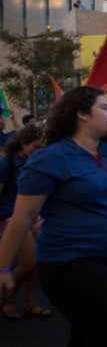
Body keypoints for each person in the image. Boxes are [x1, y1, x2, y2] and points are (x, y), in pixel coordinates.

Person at [0, 86, 107, 347]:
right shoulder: (51, 158)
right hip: (69, 261)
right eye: (104, 108)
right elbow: (21, 216)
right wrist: (4, 266)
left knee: (85, 336)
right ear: (81, 114)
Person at [0, 124, 49, 321]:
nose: (39, 151)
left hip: (33, 215)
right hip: (9, 216)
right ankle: (8, 298)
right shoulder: (7, 164)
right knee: (30, 260)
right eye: (35, 147)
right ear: (23, 144)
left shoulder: (36, 163)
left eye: (42, 147)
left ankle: (30, 303)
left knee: (37, 262)